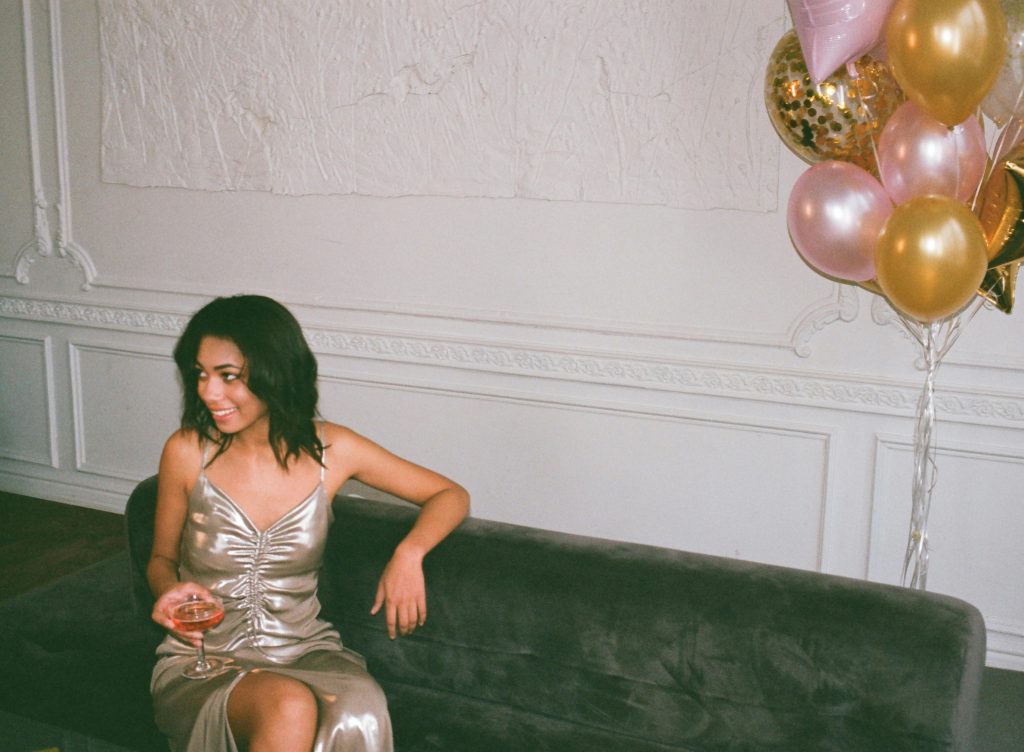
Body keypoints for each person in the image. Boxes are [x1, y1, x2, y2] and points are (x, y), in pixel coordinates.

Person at [148, 294, 470, 752]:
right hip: (203, 659)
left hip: (306, 650)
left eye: (228, 376)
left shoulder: (332, 449)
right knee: (288, 705)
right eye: (201, 374)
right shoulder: (185, 451)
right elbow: (160, 558)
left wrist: (409, 552)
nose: (208, 392)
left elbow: (449, 494)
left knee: (360, 706)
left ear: (276, 371)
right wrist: (168, 591)